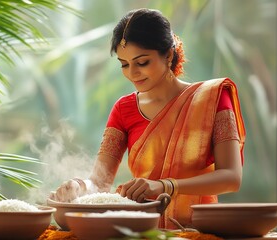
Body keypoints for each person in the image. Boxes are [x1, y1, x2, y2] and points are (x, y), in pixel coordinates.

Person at [49, 8, 246, 229]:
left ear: (168, 55)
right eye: (124, 64)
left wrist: (164, 186)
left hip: (200, 230)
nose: (132, 73)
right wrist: (78, 186)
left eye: (142, 62)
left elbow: (231, 178)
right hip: (143, 231)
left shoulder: (212, 98)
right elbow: (99, 182)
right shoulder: (124, 109)